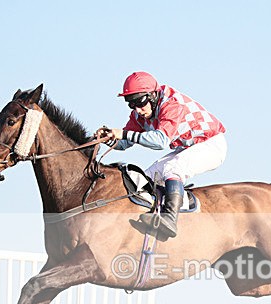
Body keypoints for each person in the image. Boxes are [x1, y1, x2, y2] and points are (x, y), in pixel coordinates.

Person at [96, 71, 227, 239]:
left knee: (173, 168)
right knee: (148, 176)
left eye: (140, 102)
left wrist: (123, 134)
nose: (137, 109)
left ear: (152, 95)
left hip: (212, 144)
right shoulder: (140, 114)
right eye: (131, 104)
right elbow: (124, 143)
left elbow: (161, 141)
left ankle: (170, 219)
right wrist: (106, 138)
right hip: (188, 148)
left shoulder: (171, 105)